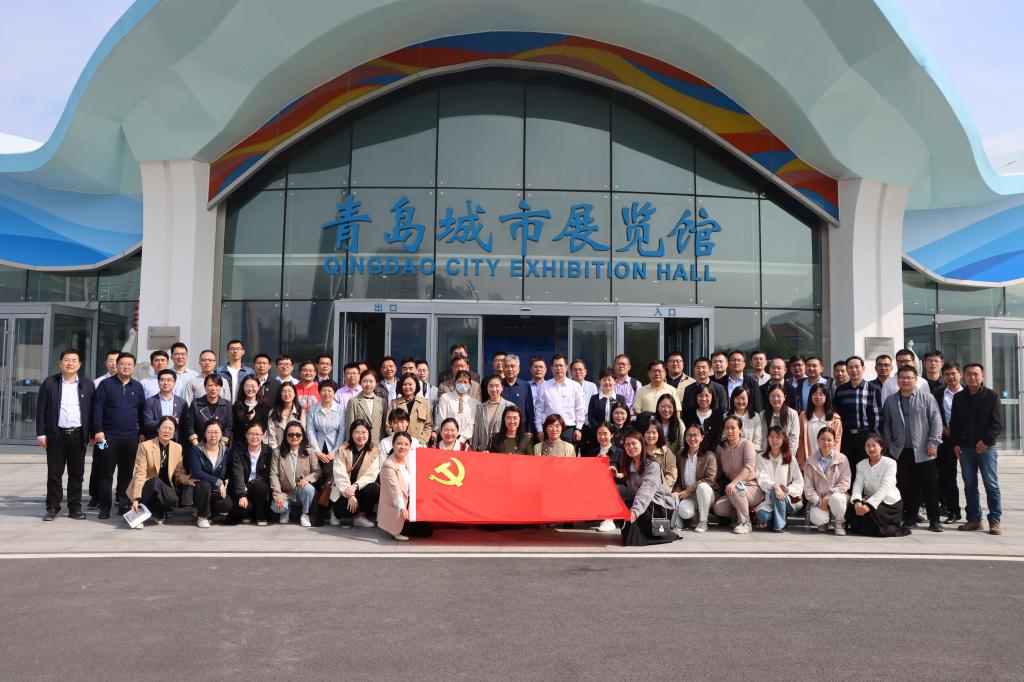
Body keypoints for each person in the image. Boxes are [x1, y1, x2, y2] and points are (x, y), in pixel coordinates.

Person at [881, 365, 944, 532]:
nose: (905, 381)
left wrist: (933, 442)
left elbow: (936, 421)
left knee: (930, 486)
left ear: (916, 379)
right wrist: (889, 445)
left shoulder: (927, 398)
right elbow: (886, 424)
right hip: (901, 451)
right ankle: (910, 518)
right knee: (907, 486)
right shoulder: (891, 400)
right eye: (902, 378)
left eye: (909, 378)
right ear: (897, 380)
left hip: (924, 450)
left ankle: (935, 520)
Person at [36, 348, 94, 521]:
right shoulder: (50, 383)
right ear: (60, 363)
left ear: (79, 364)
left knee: (76, 474)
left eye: (74, 360)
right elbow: (41, 409)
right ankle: (53, 507)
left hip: (78, 435)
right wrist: (41, 433)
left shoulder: (87, 385)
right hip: (56, 435)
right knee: (54, 474)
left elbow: (92, 411)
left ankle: (74, 508)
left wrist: (92, 433)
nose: (70, 363)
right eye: (67, 360)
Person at [949, 363, 1003, 535]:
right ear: (963, 376)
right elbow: (954, 423)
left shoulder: (991, 396)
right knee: (970, 485)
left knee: (991, 485)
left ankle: (995, 521)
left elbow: (997, 424)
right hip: (965, 449)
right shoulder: (959, 397)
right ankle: (974, 519)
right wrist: (955, 443)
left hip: (986, 449)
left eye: (976, 374)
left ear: (982, 376)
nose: (972, 377)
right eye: (969, 374)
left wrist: (986, 441)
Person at [91, 351, 146, 519]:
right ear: (117, 365)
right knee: (105, 471)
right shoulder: (105, 384)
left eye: (129, 364)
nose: (126, 367)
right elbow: (97, 409)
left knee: (127, 473)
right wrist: (98, 431)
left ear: (133, 367)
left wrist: (142, 432)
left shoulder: (137, 387)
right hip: (106, 437)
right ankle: (105, 507)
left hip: (131, 437)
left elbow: (141, 412)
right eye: (123, 364)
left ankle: (123, 504)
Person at [126, 416, 192, 526]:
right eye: (164, 427)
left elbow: (179, 473)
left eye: (171, 429)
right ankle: (139, 514)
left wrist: (188, 480)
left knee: (172, 499)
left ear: (174, 432)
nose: (167, 431)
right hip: (146, 486)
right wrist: (136, 498)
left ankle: (159, 512)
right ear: (157, 429)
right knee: (156, 481)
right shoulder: (145, 446)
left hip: (165, 488)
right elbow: (140, 474)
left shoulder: (177, 447)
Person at [618, 428, 677, 546]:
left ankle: (657, 535)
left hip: (660, 506)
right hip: (644, 504)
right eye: (627, 445)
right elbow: (631, 489)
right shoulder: (630, 465)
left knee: (630, 505)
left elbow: (645, 492)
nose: (630, 447)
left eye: (634, 443)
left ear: (642, 444)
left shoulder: (653, 466)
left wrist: (634, 512)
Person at [847, 433, 908, 537]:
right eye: (868, 446)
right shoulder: (861, 464)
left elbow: (885, 487)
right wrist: (857, 501)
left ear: (881, 446)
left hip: (888, 503)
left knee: (876, 524)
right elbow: (858, 484)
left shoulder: (890, 463)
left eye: (874, 445)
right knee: (853, 510)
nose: (871, 448)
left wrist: (869, 505)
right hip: (868, 499)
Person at [832, 355, 881, 483]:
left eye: (857, 367)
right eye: (850, 367)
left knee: (866, 468)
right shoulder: (840, 390)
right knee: (848, 468)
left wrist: (875, 436)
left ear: (863, 368)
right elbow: (836, 413)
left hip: (866, 435)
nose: (854, 370)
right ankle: (850, 494)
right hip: (846, 436)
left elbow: (877, 414)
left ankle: (865, 494)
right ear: (847, 370)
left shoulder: (873, 389)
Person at [377, 432, 433, 541]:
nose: (403, 447)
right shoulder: (388, 465)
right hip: (397, 507)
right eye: (399, 444)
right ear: (393, 445)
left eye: (406, 444)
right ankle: (393, 529)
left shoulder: (407, 459)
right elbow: (395, 490)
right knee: (415, 530)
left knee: (427, 530)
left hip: (409, 503)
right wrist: (402, 507)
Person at [712, 416, 763, 534]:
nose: (730, 431)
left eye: (733, 428)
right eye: (727, 428)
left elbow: (749, 467)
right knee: (718, 508)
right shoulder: (720, 448)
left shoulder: (747, 444)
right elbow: (718, 472)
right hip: (733, 490)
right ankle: (743, 514)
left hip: (752, 487)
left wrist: (735, 482)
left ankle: (745, 522)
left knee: (735, 488)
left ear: (740, 429)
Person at [329, 419, 381, 528]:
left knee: (375, 489)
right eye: (357, 432)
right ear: (351, 434)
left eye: (364, 432)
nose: (360, 436)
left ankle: (359, 516)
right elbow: (339, 474)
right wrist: (350, 495)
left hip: (359, 489)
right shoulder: (342, 449)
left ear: (369, 434)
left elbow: (371, 474)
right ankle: (335, 513)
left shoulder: (374, 450)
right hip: (343, 491)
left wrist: (355, 486)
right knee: (343, 510)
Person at [269, 421, 320, 527]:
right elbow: (274, 475)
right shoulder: (277, 452)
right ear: (286, 436)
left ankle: (305, 514)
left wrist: (307, 479)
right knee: (277, 508)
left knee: (309, 489)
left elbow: (318, 471)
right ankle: (286, 511)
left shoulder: (310, 451)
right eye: (290, 434)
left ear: (302, 436)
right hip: (285, 493)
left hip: (301, 491)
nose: (294, 437)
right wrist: (278, 496)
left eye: (298, 434)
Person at [754, 426, 804, 532]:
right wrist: (775, 486)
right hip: (769, 500)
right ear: (767, 438)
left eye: (778, 437)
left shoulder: (790, 458)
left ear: (783, 439)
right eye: (771, 437)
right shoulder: (760, 458)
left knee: (776, 493)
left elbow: (799, 482)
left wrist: (787, 489)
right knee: (762, 515)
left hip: (787, 499)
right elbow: (761, 478)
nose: (774, 440)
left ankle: (779, 526)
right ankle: (780, 516)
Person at [803, 428, 851, 535]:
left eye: (829, 440)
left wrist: (830, 494)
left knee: (837, 498)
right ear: (817, 440)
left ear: (834, 441)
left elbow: (845, 482)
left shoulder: (842, 459)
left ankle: (839, 522)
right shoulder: (810, 461)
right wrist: (818, 501)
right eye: (823, 439)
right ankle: (824, 521)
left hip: (837, 497)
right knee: (818, 518)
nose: (826, 442)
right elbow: (808, 487)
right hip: (819, 500)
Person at [186, 420, 233, 528]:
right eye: (210, 432)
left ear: (221, 434)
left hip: (216, 491)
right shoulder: (196, 450)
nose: (213, 435)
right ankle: (202, 517)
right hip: (200, 490)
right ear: (204, 433)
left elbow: (229, 472)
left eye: (216, 432)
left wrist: (226, 484)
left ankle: (210, 513)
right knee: (205, 484)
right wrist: (217, 481)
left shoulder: (227, 451)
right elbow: (197, 472)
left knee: (227, 504)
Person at [670, 424, 717, 532]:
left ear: (702, 437)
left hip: (707, 494)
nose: (692, 438)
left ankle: (703, 521)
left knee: (702, 487)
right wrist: (677, 492)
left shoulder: (709, 456)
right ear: (685, 437)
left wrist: (689, 490)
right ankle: (695, 518)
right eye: (689, 435)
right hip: (688, 496)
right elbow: (678, 479)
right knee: (684, 512)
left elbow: (710, 479)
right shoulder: (680, 455)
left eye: (696, 435)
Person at [933, 362, 963, 524]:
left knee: (970, 480)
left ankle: (975, 514)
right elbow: (935, 416)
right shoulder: (938, 394)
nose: (951, 377)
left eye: (953, 373)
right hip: (945, 441)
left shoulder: (968, 393)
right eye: (947, 374)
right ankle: (953, 511)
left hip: (967, 442)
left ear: (960, 374)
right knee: (947, 477)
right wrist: (949, 434)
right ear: (943, 377)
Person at [534, 355, 586, 444]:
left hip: (569, 430)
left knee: (569, 453)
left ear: (566, 367)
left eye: (561, 365)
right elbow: (539, 410)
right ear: (551, 368)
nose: (558, 368)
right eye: (556, 366)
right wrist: (539, 429)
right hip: (549, 429)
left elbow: (580, 409)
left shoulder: (575, 386)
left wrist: (578, 428)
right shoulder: (544, 387)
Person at [229, 421, 273, 526]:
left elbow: (266, 474)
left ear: (263, 435)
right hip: (241, 487)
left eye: (257, 434)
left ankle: (260, 515)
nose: (254, 437)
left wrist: (249, 485)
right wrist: (242, 494)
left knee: (259, 486)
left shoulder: (268, 451)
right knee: (243, 509)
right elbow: (237, 474)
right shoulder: (238, 451)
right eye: (250, 434)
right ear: (246, 435)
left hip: (259, 488)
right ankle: (248, 513)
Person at [183, 374, 233, 452]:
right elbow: (189, 426)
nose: (213, 388)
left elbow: (228, 427)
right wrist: (197, 446)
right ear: (205, 387)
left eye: (216, 385)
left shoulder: (227, 405)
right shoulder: (196, 404)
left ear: (220, 387)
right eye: (210, 385)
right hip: (199, 445)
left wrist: (220, 446)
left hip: (220, 447)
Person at [798, 383, 843, 469]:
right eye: (814, 394)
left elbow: (837, 441)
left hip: (828, 462)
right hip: (808, 461)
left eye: (821, 394)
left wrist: (833, 461)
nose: (817, 397)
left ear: (827, 397)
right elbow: (800, 439)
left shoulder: (835, 418)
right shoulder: (803, 416)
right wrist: (801, 459)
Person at [434, 369, 477, 445]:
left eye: (465, 382)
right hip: (446, 437)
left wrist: (461, 440)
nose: (462, 384)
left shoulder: (473, 402)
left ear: (470, 384)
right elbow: (442, 419)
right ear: (455, 382)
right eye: (459, 381)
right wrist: (450, 435)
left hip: (464, 441)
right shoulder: (445, 397)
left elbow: (471, 424)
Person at [345, 369, 387, 446]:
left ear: (376, 383)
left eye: (371, 381)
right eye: (364, 381)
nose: (368, 384)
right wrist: (349, 445)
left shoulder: (382, 402)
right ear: (360, 383)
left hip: (377, 444)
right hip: (359, 444)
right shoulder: (353, 402)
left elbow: (384, 426)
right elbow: (349, 426)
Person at [389, 372, 433, 446]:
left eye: (410, 384)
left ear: (416, 385)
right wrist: (396, 439)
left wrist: (420, 441)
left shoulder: (424, 403)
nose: (407, 387)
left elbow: (429, 425)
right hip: (399, 444)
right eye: (404, 384)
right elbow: (388, 425)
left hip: (418, 444)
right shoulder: (395, 403)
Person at [472, 375, 514, 451]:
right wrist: (474, 451)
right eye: (490, 386)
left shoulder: (510, 406)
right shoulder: (480, 407)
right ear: (487, 388)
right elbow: (476, 431)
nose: (494, 389)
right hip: (482, 451)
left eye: (497, 386)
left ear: (502, 387)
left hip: (502, 451)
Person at [143, 369, 186, 440]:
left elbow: (186, 424)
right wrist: (167, 421)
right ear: (158, 382)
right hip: (155, 440)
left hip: (175, 441)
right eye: (162, 380)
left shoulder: (182, 402)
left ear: (174, 383)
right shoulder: (150, 401)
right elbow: (147, 424)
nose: (165, 383)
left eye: (169, 380)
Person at [636, 414, 677, 489]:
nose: (651, 436)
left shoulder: (666, 451)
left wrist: (660, 489)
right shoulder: (638, 450)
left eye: (654, 432)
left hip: (661, 490)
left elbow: (671, 475)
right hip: (641, 489)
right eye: (648, 432)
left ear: (659, 434)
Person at [501, 353, 536, 438]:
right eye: (507, 366)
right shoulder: (498, 385)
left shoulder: (525, 386)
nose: (510, 369)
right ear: (503, 369)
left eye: (512, 366)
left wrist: (529, 430)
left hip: (521, 429)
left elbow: (529, 411)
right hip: (501, 428)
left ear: (518, 369)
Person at [762, 380, 799, 457]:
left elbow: (794, 438)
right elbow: (763, 437)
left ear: (784, 397)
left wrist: (788, 456)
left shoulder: (793, 414)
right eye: (772, 396)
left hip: (787, 455)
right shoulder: (763, 414)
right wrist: (766, 455)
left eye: (779, 396)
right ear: (768, 397)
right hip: (768, 455)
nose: (775, 399)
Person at [681, 384, 723, 450]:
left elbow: (718, 437)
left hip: (712, 452)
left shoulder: (718, 414)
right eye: (700, 395)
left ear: (712, 397)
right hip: (691, 450)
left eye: (707, 395)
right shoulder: (688, 414)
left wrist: (709, 452)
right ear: (696, 397)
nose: (704, 399)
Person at [266, 382, 305, 451]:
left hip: (296, 450)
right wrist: (276, 451)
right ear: (280, 394)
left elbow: (303, 432)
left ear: (294, 394)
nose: (287, 394)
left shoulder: (301, 411)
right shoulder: (273, 412)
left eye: (290, 391)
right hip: (277, 450)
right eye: (284, 391)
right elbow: (271, 436)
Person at [727, 386, 764, 453]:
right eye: (737, 398)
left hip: (751, 453)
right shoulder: (726, 416)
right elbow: (724, 438)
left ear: (748, 399)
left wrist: (750, 453)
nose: (740, 401)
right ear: (733, 399)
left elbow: (757, 440)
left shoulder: (755, 416)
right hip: (731, 453)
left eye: (743, 398)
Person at [232, 374, 269, 440]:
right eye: (247, 386)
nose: (250, 389)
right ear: (243, 387)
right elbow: (233, 428)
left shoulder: (264, 407)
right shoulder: (237, 406)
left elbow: (265, 428)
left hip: (257, 443)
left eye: (253, 386)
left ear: (258, 387)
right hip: (239, 444)